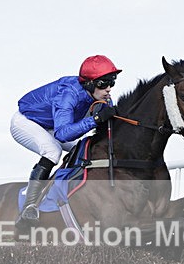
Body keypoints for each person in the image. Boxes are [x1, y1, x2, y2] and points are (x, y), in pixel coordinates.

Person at [10, 55, 121, 230]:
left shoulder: (102, 96)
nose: (108, 89)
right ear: (90, 84)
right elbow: (62, 134)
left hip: (52, 124)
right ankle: (29, 208)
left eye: (111, 82)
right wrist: (95, 120)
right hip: (27, 122)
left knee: (82, 147)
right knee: (53, 151)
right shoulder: (68, 94)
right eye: (103, 83)